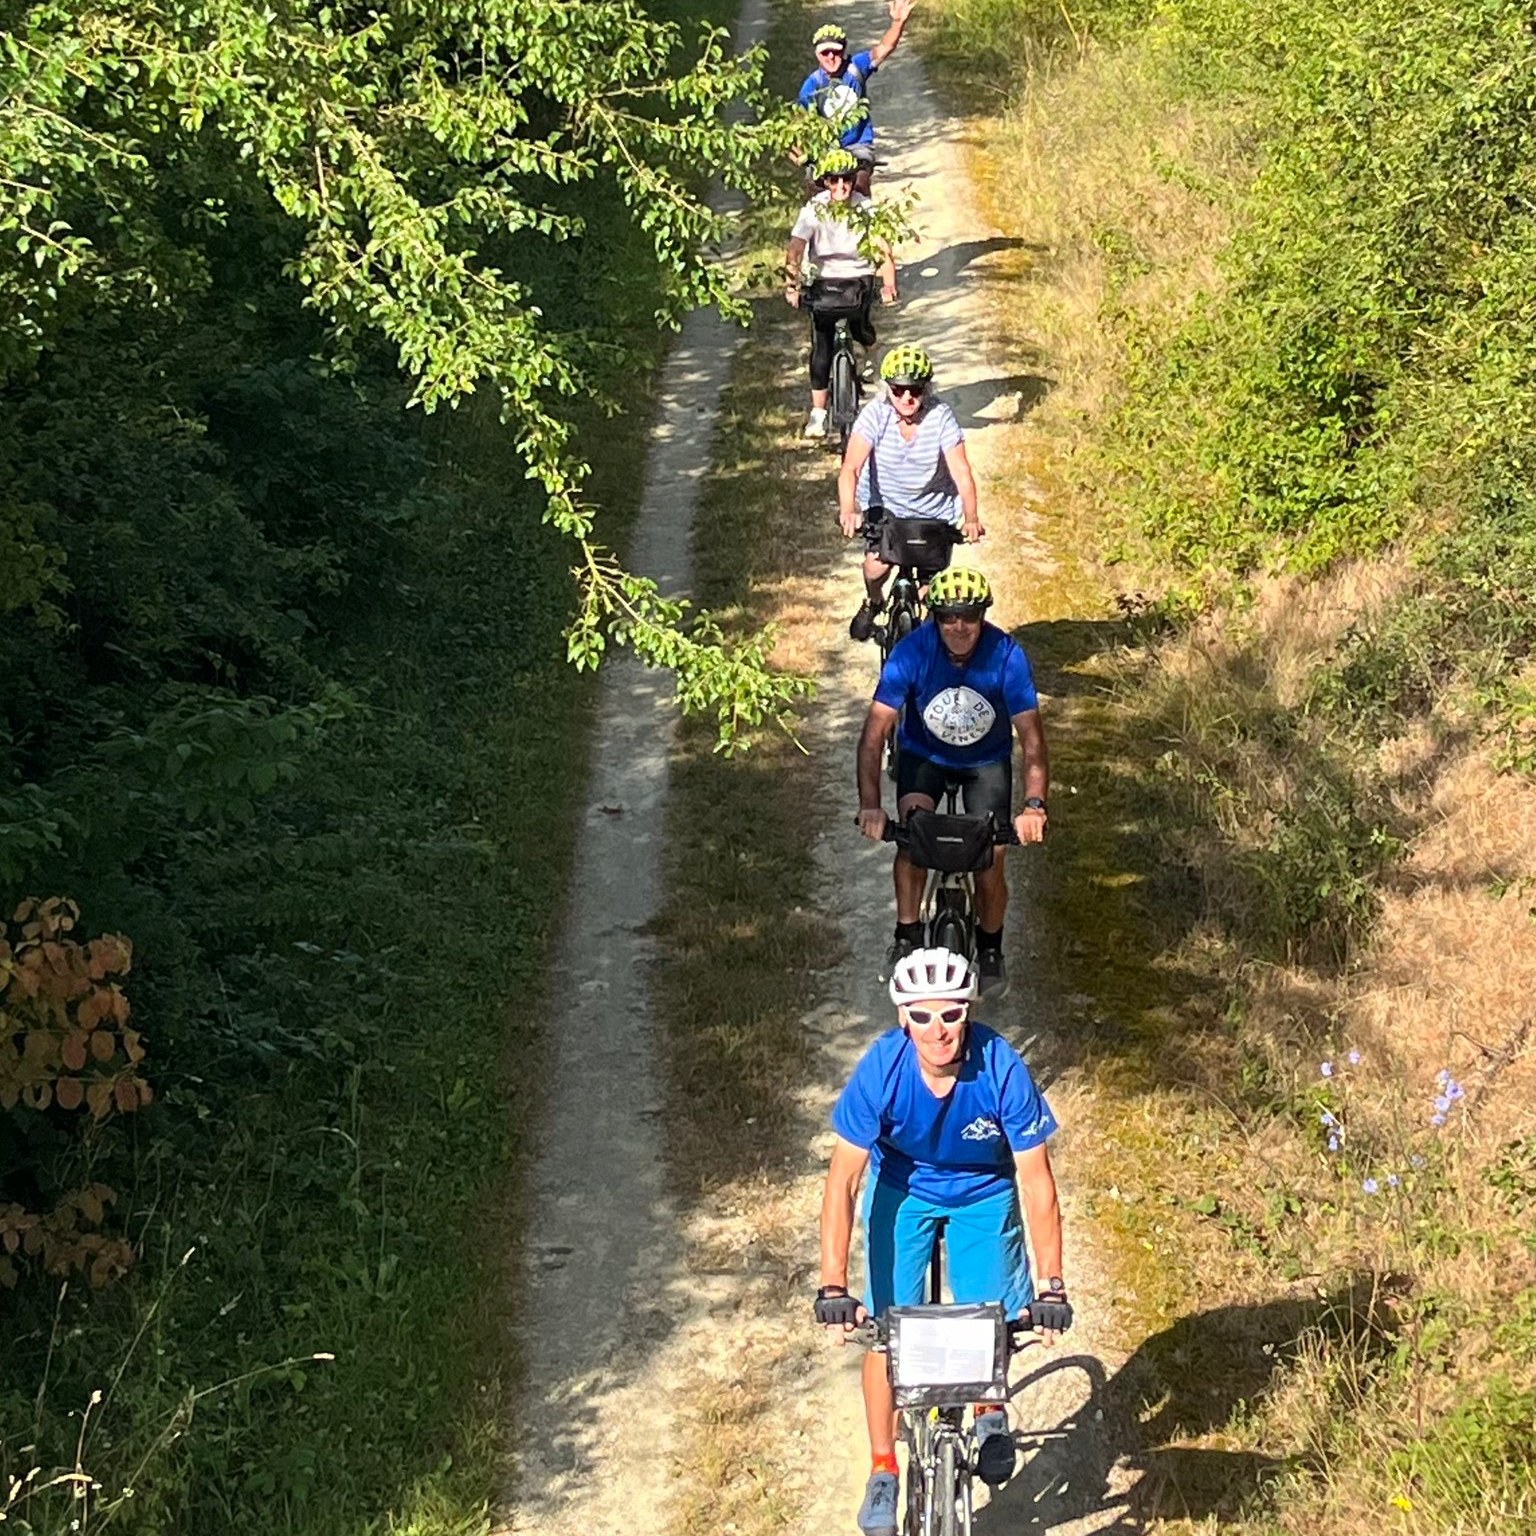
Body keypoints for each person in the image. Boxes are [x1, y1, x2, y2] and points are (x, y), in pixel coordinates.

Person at [813, 947, 1071, 1536]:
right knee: (886, 1331)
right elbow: (843, 1181)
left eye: (951, 1014)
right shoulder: (881, 1070)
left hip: (983, 1190)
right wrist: (832, 1282)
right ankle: (883, 1467)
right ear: (903, 1018)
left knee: (996, 1318)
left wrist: (1053, 1286)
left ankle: (988, 1414)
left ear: (969, 1012)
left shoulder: (1001, 1067)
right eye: (923, 1017)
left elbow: (1036, 1182)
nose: (938, 1030)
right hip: (902, 1186)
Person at [854, 567, 1047, 996]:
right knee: (913, 836)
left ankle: (991, 947)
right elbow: (873, 737)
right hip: (926, 758)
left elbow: (1032, 741)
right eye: (948, 617)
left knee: (992, 855)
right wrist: (870, 805)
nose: (960, 627)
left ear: (983, 617)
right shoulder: (912, 653)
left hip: (986, 762)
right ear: (934, 618)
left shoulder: (1006, 656)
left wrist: (1034, 806)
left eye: (970, 617)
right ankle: (906, 935)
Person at [838, 344, 981, 641]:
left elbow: (962, 472)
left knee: (932, 595)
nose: (907, 397)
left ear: (926, 389)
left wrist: (971, 517)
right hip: (886, 509)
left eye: (915, 389)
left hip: (933, 513)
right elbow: (851, 466)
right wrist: (848, 509)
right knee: (875, 569)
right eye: (898, 389)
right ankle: (873, 601)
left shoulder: (940, 416)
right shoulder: (874, 415)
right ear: (887, 389)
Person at [786, 150, 899, 440]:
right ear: (824, 182)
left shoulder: (866, 209)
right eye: (833, 181)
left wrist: (888, 284)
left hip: (857, 277)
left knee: (861, 326)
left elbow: (882, 249)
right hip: (823, 279)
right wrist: (792, 284)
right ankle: (818, 414)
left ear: (853, 180)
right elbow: (796, 247)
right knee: (821, 346)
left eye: (846, 180)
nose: (840, 187)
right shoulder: (814, 208)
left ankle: (872, 356)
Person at [796, 3, 916, 196]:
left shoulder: (855, 67)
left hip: (858, 146)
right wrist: (800, 153)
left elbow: (885, 47)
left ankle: (865, 222)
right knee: (816, 190)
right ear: (817, 54)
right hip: (826, 150)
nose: (830, 56)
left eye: (835, 51)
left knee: (859, 185)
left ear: (843, 51)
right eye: (824, 52)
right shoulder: (811, 86)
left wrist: (898, 22)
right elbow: (799, 125)